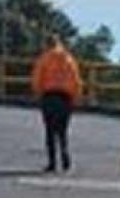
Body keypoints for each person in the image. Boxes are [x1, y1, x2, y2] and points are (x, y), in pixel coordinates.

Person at [30, 35, 83, 172]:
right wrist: (75, 99)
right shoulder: (69, 59)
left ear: (47, 44)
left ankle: (52, 163)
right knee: (62, 131)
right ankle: (65, 159)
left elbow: (37, 78)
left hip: (49, 97)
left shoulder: (44, 59)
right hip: (65, 98)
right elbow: (76, 80)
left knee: (50, 131)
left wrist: (38, 94)